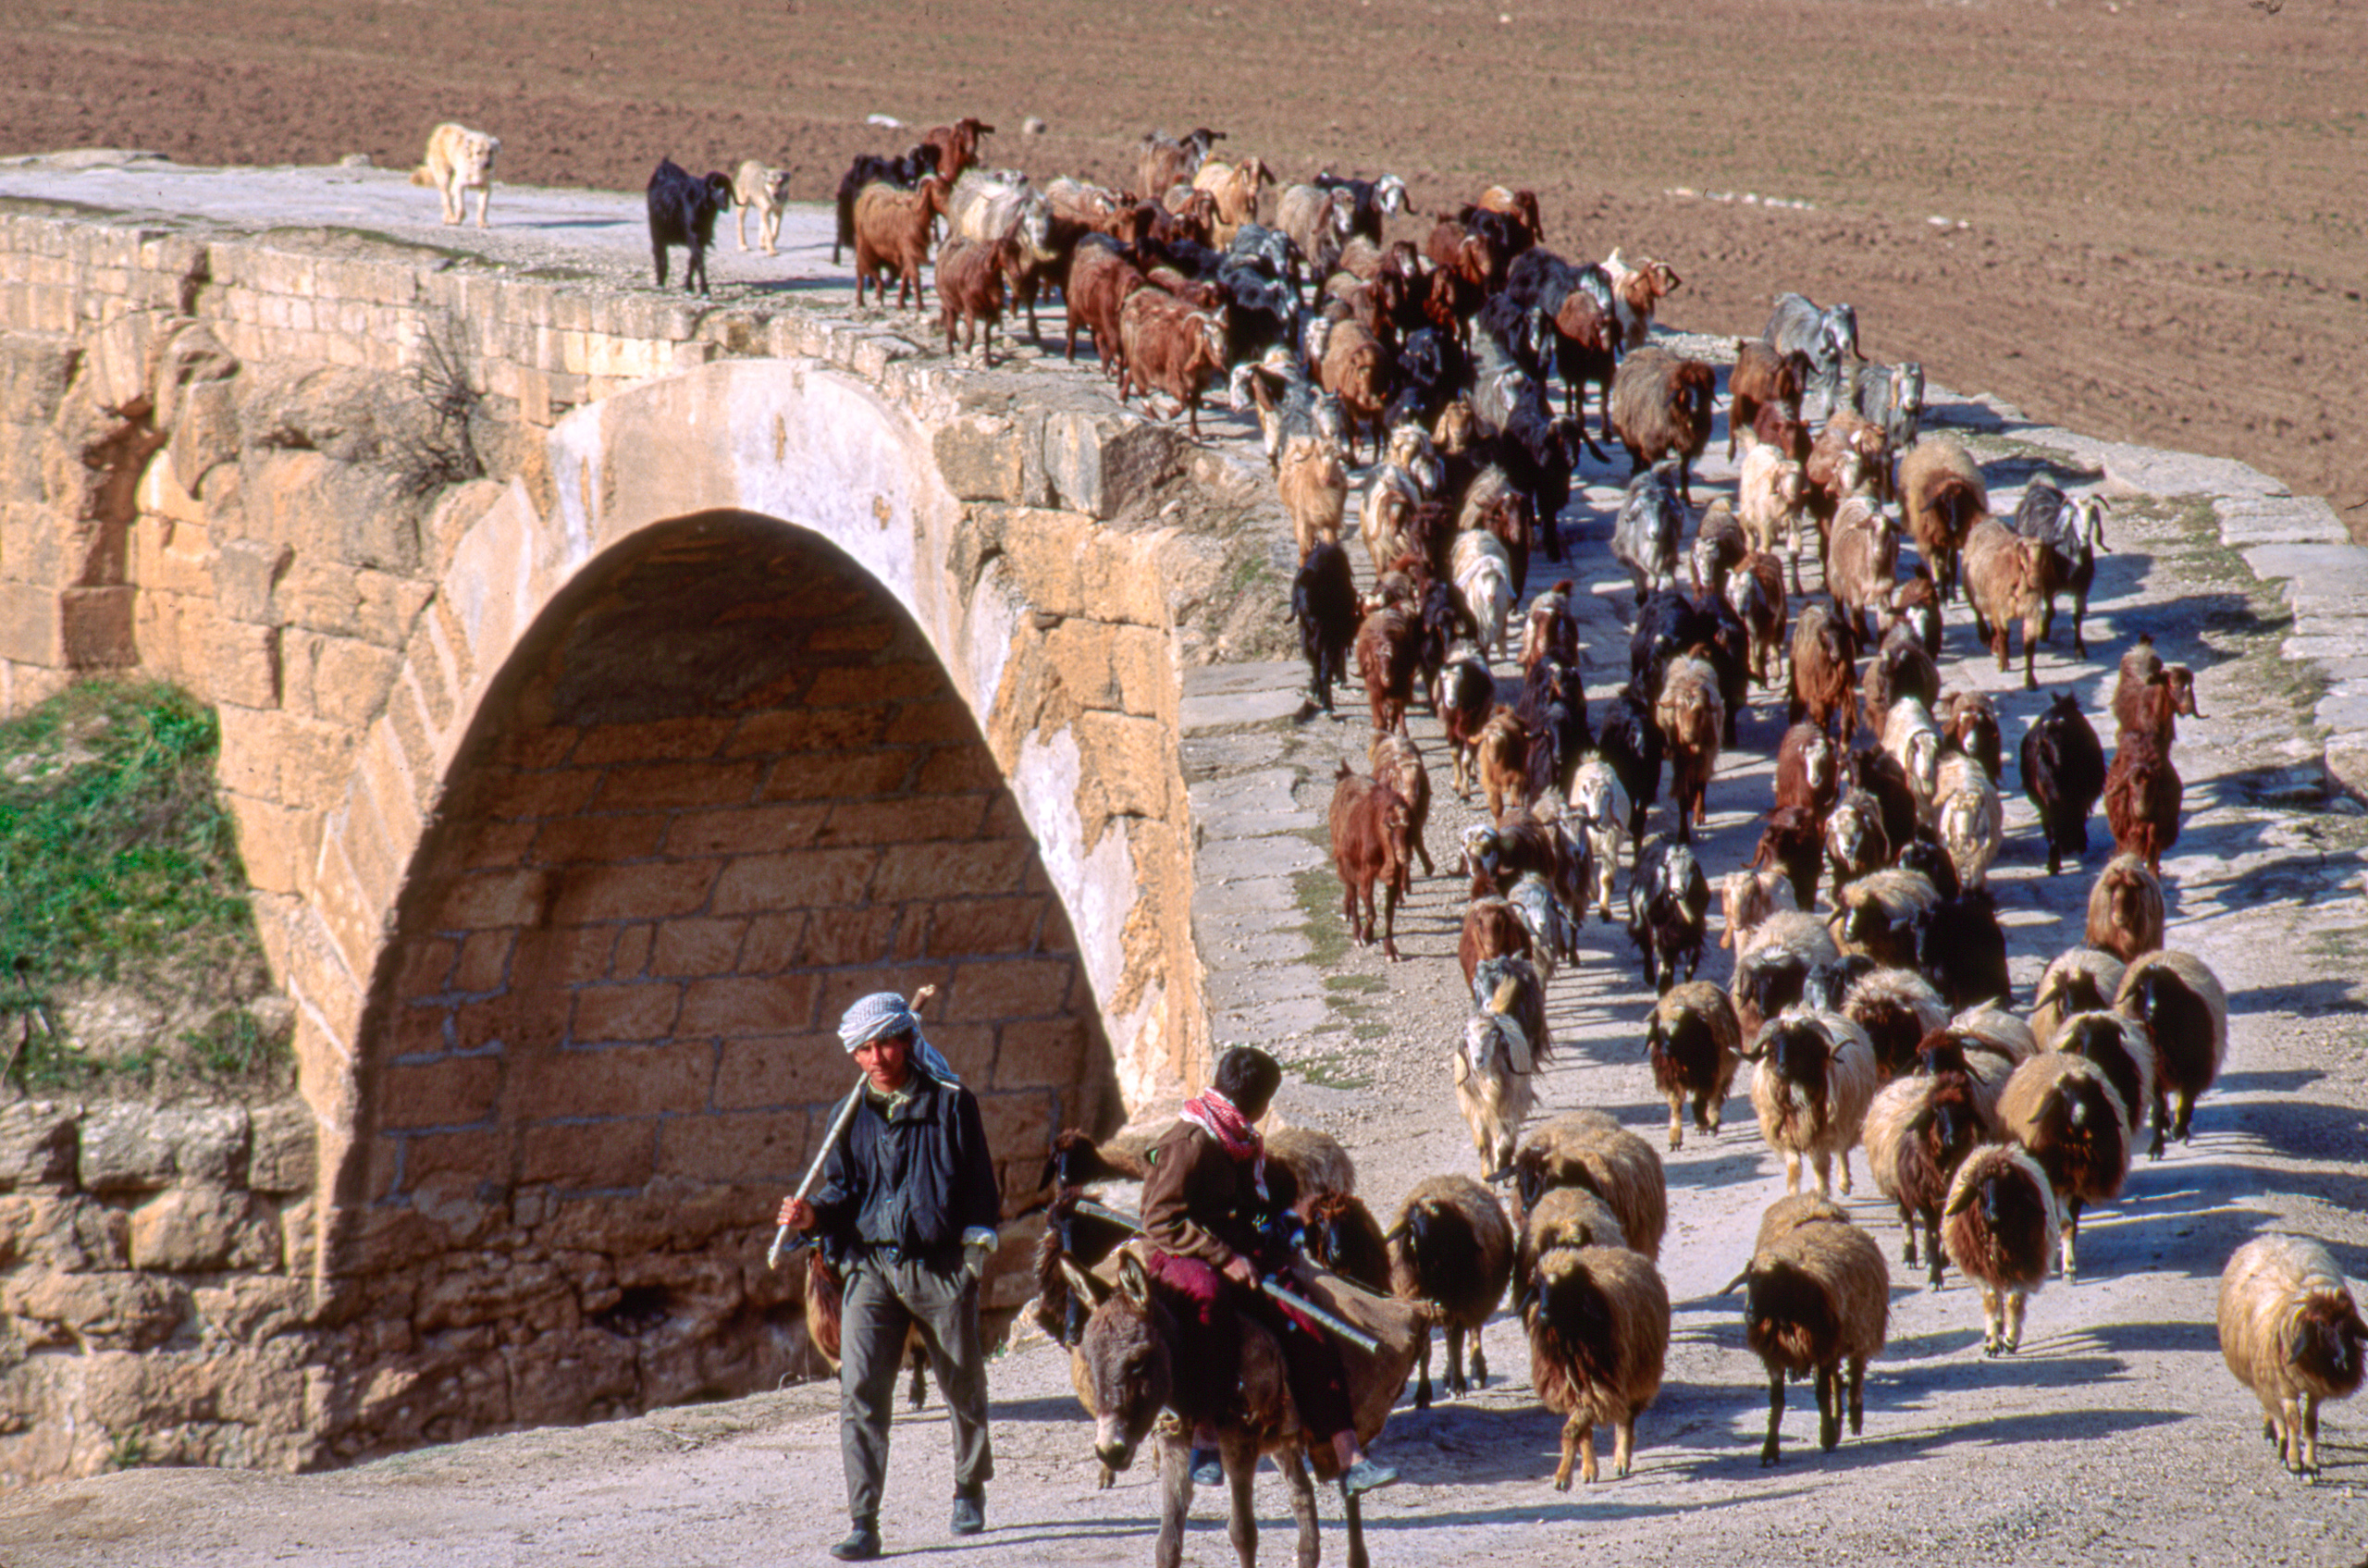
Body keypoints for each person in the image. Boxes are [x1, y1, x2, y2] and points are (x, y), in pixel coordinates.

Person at [777, 992, 1001, 1562]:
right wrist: (812, 1217)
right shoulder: (847, 1116)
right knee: (861, 1392)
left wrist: (972, 1260)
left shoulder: (952, 1104)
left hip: (940, 1266)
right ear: (853, 1054)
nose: (877, 1057)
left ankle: (969, 1485)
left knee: (962, 1384)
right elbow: (842, 1193)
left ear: (906, 1039)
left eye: (886, 1043)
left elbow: (979, 1187)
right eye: (864, 1048)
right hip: (872, 1268)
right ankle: (864, 1520)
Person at [1137, 1045, 1397, 1496]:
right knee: (1208, 1304)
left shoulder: (1242, 1143)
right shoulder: (1188, 1143)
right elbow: (1160, 1219)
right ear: (1254, 1104)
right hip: (1181, 1252)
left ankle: (1347, 1454)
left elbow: (1250, 1212)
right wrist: (1222, 1257)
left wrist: (1275, 1230)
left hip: (1238, 1250)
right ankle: (1203, 1433)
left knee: (1304, 1321)